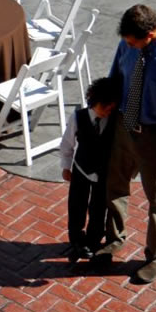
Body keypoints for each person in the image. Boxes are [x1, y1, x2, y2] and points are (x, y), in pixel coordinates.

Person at [94, 4, 156, 284]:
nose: (128, 46)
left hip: (155, 137)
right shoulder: (126, 46)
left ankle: (155, 257)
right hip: (124, 126)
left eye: (132, 42)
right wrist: (101, 104)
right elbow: (115, 79)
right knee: (115, 186)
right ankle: (114, 239)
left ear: (149, 35)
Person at [60, 77, 119, 263]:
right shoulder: (78, 118)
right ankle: (77, 239)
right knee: (77, 205)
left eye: (111, 107)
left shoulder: (114, 120)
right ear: (94, 101)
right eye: (105, 106)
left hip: (103, 172)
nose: (108, 111)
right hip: (81, 169)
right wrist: (66, 166)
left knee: (99, 207)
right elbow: (67, 144)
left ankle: (93, 240)